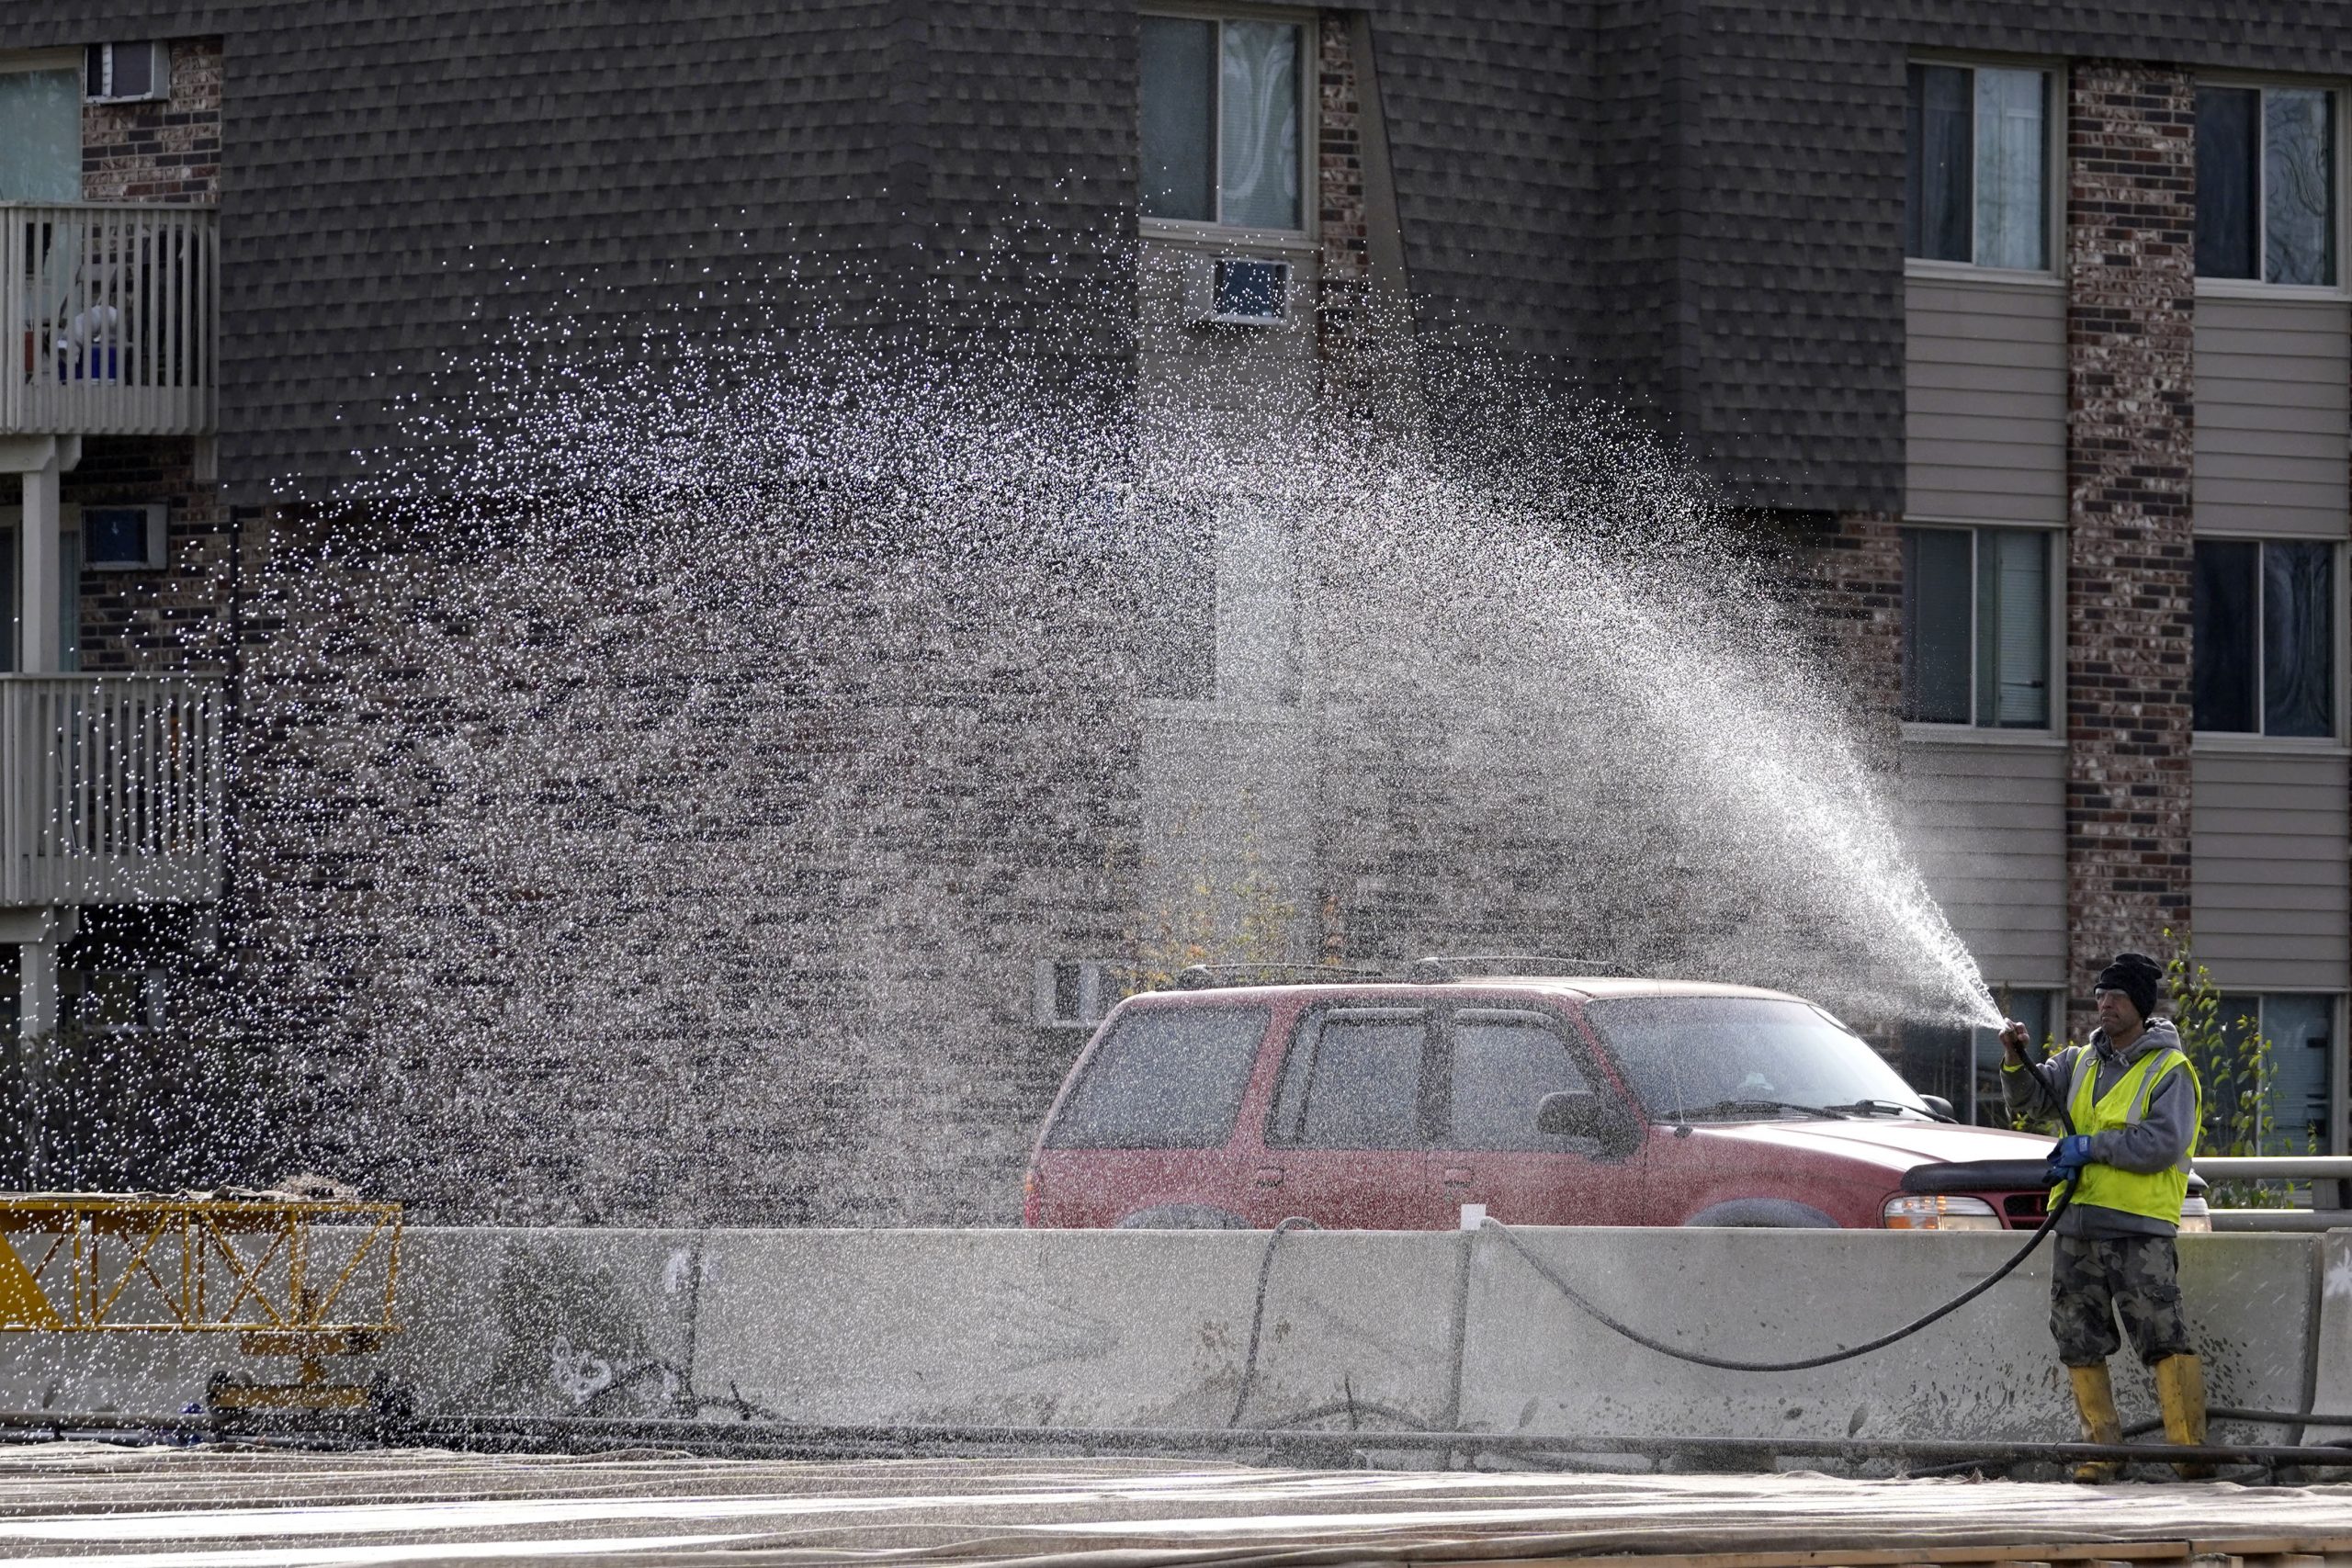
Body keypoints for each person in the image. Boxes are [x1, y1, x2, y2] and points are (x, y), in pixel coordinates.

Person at [1999, 951, 2207, 1483]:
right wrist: (2014, 1060)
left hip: (2138, 1227)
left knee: (2162, 1333)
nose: (2104, 1005)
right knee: (2076, 1332)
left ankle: (2189, 1453)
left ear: (2139, 1004)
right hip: (2077, 1226)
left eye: (2116, 997)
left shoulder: (2170, 1069)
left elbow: (2161, 1144)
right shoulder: (2080, 1061)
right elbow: (2033, 1101)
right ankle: (2102, 1451)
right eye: (2100, 996)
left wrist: (2091, 1147)